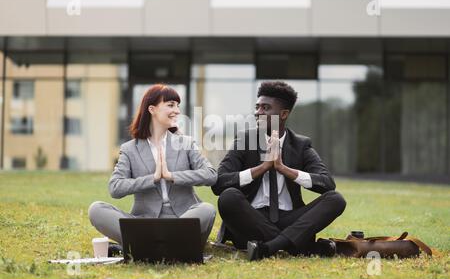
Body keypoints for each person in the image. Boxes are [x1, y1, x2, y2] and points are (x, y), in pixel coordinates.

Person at [211, 81, 346, 261]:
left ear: (283, 114)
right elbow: (219, 184)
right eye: (257, 107)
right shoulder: (245, 139)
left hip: (289, 217)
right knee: (228, 197)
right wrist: (262, 168)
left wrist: (283, 169)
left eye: (265, 108)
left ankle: (269, 248)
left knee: (336, 199)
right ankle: (298, 245)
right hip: (251, 219)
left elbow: (327, 184)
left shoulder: (301, 144)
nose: (258, 112)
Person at [88, 84, 217, 255]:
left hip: (183, 220)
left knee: (207, 209)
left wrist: (172, 175)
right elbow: (115, 188)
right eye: (171, 105)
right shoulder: (130, 149)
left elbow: (211, 175)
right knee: (96, 209)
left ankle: (147, 247)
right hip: (145, 224)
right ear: (152, 109)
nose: (177, 111)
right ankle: (167, 247)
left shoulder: (185, 143)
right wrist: (153, 178)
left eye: (178, 105)